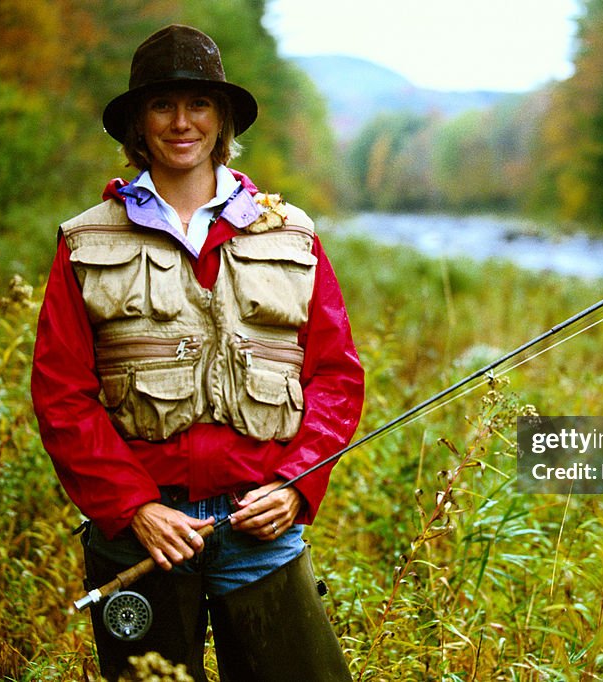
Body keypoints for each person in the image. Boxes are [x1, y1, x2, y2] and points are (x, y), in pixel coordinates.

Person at [31, 24, 364, 681]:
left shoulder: (292, 234)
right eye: (162, 105)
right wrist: (133, 507)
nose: (182, 123)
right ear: (136, 122)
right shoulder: (85, 242)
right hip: (140, 535)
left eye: (199, 105)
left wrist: (296, 484)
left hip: (260, 532)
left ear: (223, 120)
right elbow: (61, 395)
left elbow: (335, 376)